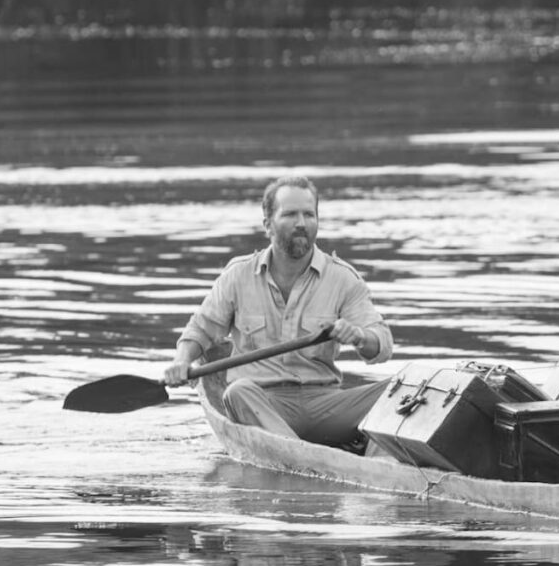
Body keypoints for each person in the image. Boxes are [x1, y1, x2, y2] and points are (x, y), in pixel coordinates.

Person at [163, 174, 393, 447]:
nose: (301, 224)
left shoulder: (343, 278)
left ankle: (313, 452)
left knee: (399, 389)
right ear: (268, 225)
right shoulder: (238, 275)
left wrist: (359, 336)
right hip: (259, 401)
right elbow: (200, 331)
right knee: (237, 392)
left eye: (309, 214)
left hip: (323, 405)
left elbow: (382, 345)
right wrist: (181, 361)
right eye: (290, 215)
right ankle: (303, 454)